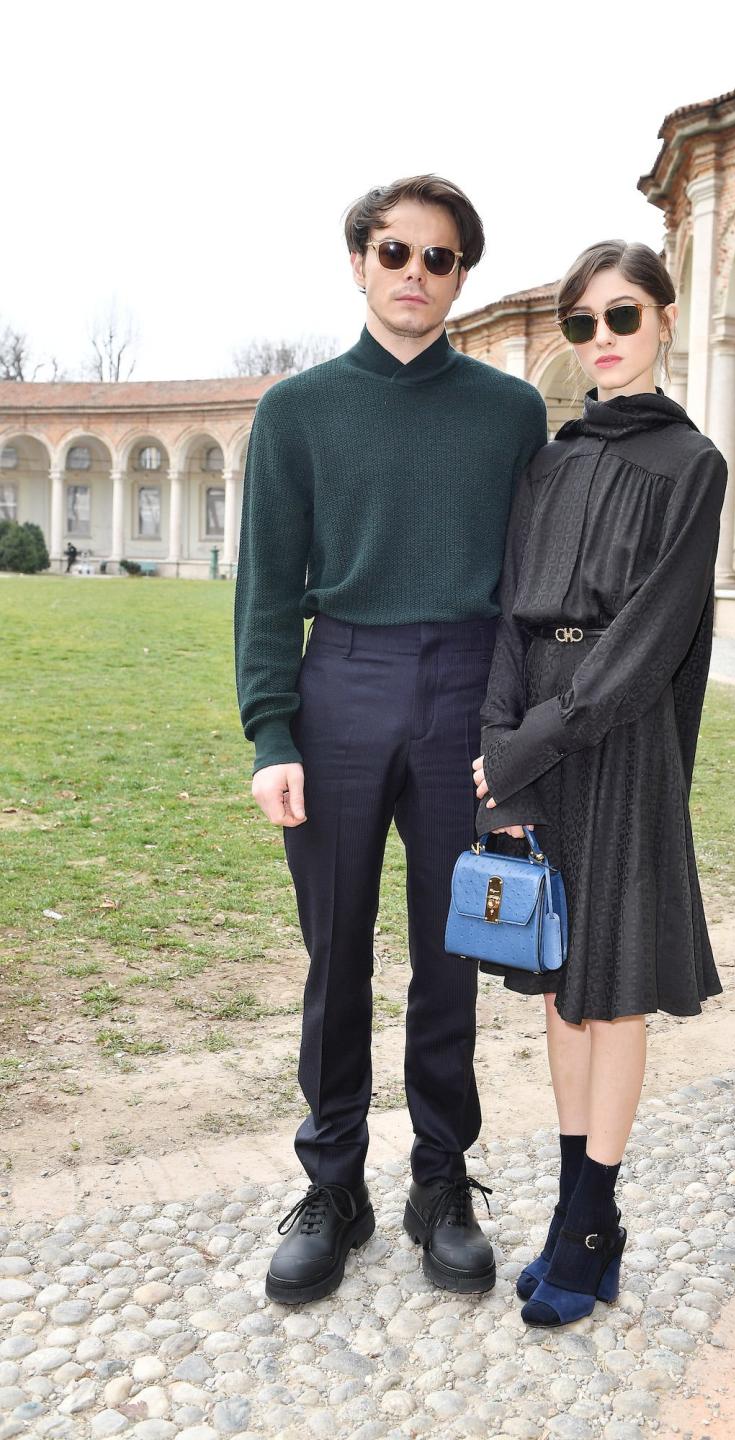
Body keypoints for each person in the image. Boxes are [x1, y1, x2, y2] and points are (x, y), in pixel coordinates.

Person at [234, 174, 547, 1304]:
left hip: (467, 685)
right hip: (343, 685)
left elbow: (528, 588)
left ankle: (441, 1181)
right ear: (358, 262)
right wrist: (274, 733)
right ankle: (334, 1186)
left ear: (463, 275)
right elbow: (267, 589)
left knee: (454, 950)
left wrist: (514, 736)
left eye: (442, 257)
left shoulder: (510, 414)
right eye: (396, 252)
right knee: (337, 954)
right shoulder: (299, 411)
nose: (417, 274)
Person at [472, 240, 727, 1327]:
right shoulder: (551, 458)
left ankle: (588, 1219)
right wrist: (498, 735)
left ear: (665, 320)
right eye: (582, 324)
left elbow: (655, 637)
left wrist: (537, 737)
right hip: (531, 719)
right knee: (554, 975)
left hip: (614, 737)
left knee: (610, 988)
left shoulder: (692, 464)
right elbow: (506, 609)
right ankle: (580, 1213)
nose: (603, 340)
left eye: (622, 316)